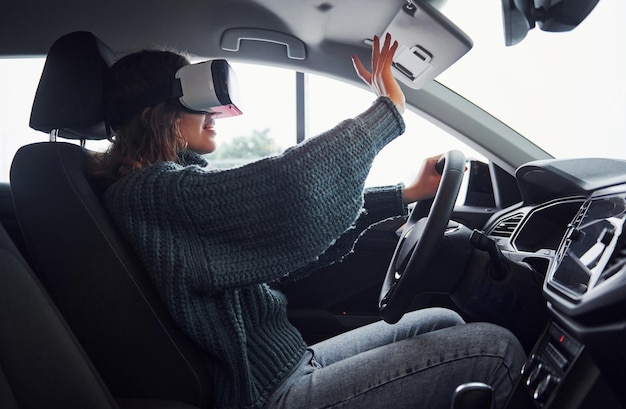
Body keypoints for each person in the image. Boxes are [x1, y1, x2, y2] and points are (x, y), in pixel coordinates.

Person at [92, 33, 526, 409]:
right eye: (199, 102)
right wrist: (388, 111)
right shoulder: (151, 194)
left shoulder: (160, 190)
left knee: (443, 323)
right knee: (497, 352)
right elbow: (289, 189)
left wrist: (403, 195)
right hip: (268, 395)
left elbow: (281, 246)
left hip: (285, 366)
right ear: (157, 115)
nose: (214, 113)